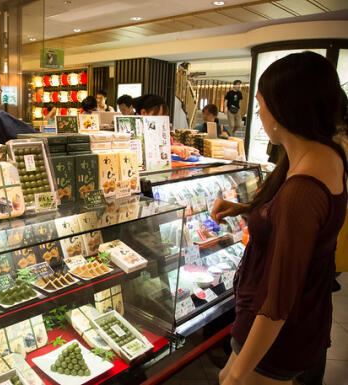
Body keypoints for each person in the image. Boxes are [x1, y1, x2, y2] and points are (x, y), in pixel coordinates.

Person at [212, 52, 347, 385]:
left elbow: (279, 299)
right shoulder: (321, 152)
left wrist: (240, 375)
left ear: (286, 106)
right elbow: (283, 211)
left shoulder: (303, 191)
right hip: (297, 323)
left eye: (261, 104)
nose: (258, 114)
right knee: (223, 372)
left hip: (277, 340)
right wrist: (242, 209)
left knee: (228, 376)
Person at [133, 94, 199, 160]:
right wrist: (171, 148)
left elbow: (172, 144)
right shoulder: (134, 131)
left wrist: (185, 149)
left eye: (164, 117)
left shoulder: (162, 131)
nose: (162, 122)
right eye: (158, 117)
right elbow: (141, 150)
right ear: (143, 112)